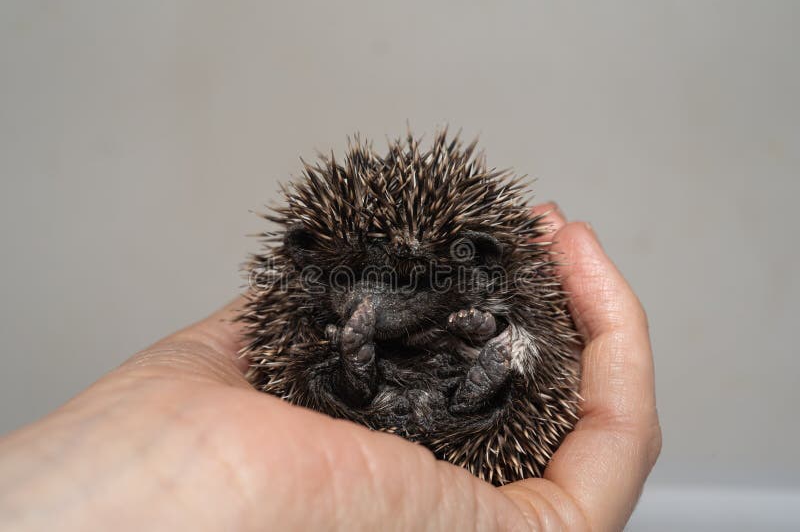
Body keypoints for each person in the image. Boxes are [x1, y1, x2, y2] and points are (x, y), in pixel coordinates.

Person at [0, 205, 661, 531]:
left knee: (521, 362)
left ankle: (474, 381)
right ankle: (390, 379)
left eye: (411, 282)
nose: (377, 304)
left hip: (464, 420)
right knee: (318, 373)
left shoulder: (497, 285)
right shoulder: (303, 313)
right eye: (356, 277)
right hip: (367, 400)